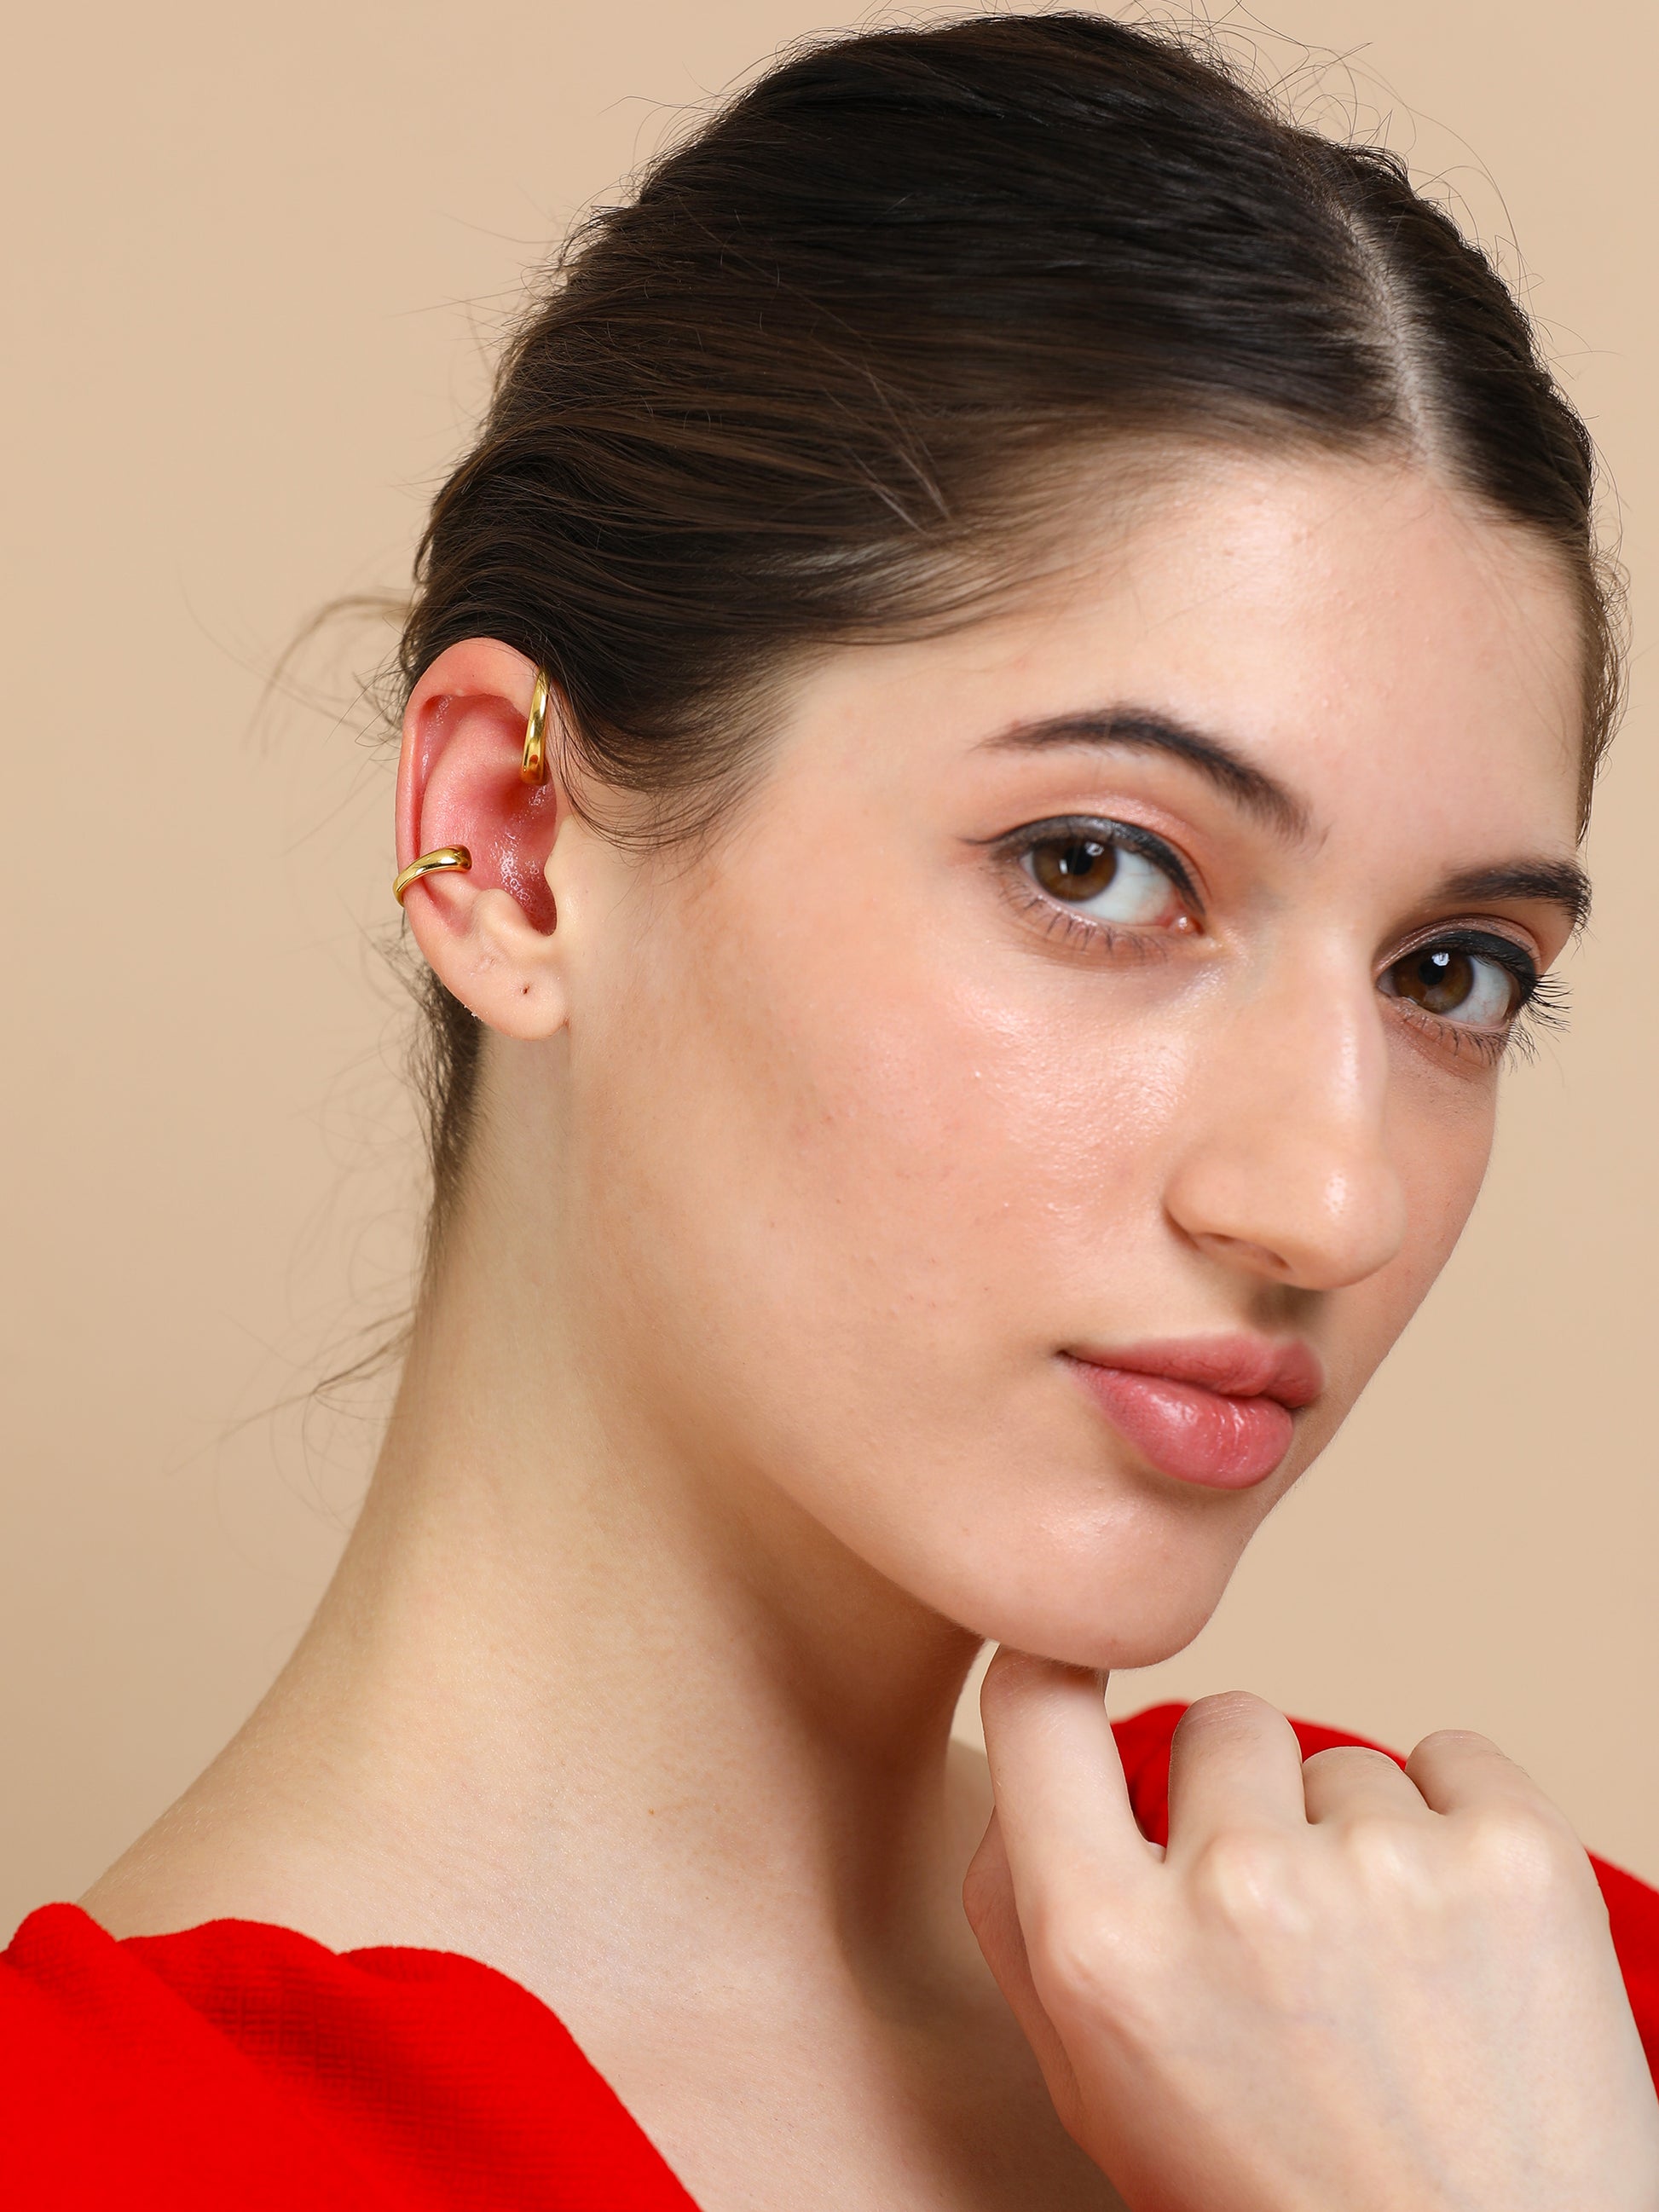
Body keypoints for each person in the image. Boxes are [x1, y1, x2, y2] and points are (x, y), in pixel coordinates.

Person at [5, 12, 1657, 2209]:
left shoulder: (1517, 2017)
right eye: (1099, 866)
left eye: (1451, 974)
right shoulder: (110, 2160)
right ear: (510, 847)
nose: (1328, 1195)